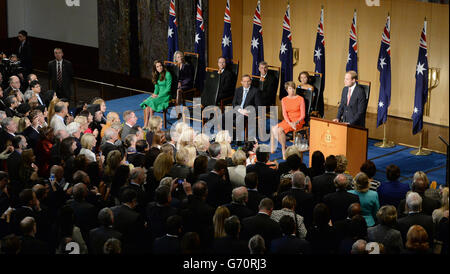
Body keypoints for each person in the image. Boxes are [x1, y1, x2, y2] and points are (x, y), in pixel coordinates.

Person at [270, 81, 305, 159]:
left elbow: (303, 115)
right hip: (288, 121)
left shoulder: (300, 99)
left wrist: (295, 122)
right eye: (290, 88)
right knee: (273, 129)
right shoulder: (284, 100)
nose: (292, 90)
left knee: (279, 130)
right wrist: (289, 122)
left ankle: (283, 150)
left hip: (298, 121)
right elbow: (284, 114)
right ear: (286, 90)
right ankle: (281, 147)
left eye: (293, 88)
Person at [140, 60, 172, 128]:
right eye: (157, 67)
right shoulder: (157, 75)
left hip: (165, 96)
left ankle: (151, 124)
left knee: (151, 103)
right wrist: (154, 94)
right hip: (158, 95)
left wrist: (158, 96)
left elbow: (168, 89)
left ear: (162, 66)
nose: (159, 68)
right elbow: (156, 88)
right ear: (155, 68)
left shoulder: (168, 74)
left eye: (160, 66)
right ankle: (146, 124)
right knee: (146, 102)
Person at [231, 74, 261, 141]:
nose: (246, 83)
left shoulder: (255, 91)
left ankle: (239, 139)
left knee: (238, 120)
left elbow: (258, 106)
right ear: (241, 82)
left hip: (247, 113)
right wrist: (239, 110)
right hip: (238, 110)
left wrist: (248, 111)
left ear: (250, 81)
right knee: (223, 117)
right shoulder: (238, 89)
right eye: (244, 81)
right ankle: (231, 135)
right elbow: (234, 103)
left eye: (248, 81)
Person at [173, 51, 194, 115]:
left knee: (178, 91)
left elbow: (189, 78)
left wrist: (181, 83)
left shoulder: (187, 66)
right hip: (176, 84)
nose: (180, 58)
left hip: (186, 84)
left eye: (181, 57)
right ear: (176, 59)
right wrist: (177, 82)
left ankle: (178, 111)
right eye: (178, 57)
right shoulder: (174, 66)